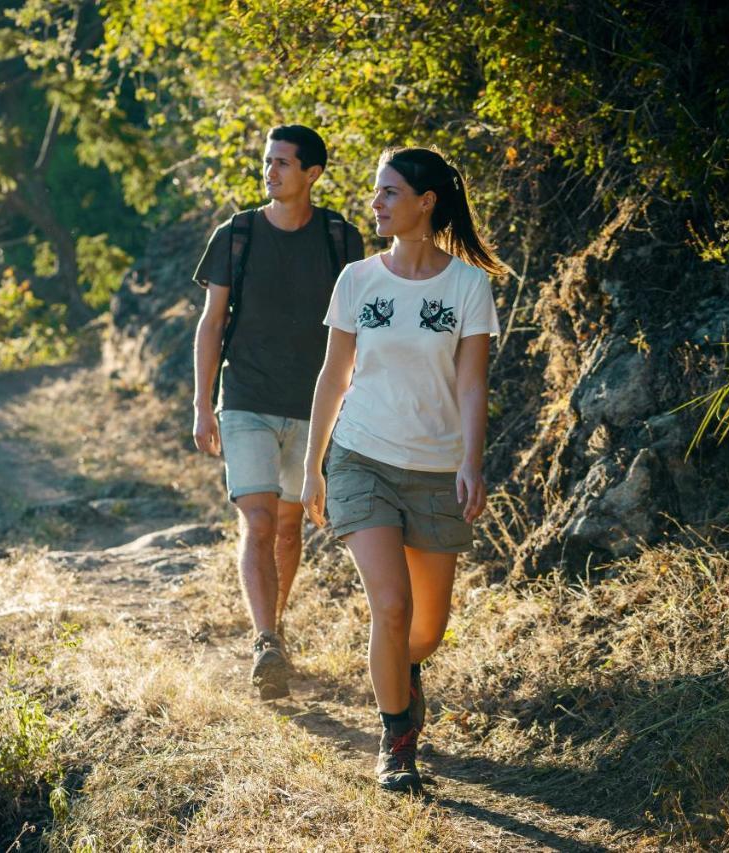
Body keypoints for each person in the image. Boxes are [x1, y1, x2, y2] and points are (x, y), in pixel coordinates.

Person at [300, 146, 506, 792]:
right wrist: (314, 467)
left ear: (426, 203)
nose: (376, 203)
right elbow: (333, 377)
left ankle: (403, 672)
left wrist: (471, 460)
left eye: (390, 193)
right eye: (376, 192)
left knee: (426, 629)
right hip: (361, 459)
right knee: (390, 606)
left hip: (437, 469)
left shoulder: (469, 286)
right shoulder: (357, 281)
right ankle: (396, 741)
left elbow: (473, 385)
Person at [191, 125, 364, 700]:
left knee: (290, 526)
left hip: (315, 408)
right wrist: (202, 402)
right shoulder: (236, 234)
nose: (271, 171)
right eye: (268, 162)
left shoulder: (342, 239)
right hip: (245, 398)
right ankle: (266, 639)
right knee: (259, 521)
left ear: (312, 173)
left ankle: (275, 629)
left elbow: (358, 330)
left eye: (284, 163)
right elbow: (212, 322)